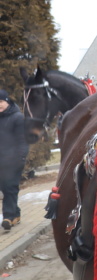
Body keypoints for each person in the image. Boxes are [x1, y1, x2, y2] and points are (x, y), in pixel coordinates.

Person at [0, 89, 28, 231]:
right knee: (5, 188)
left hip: (13, 160)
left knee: (10, 187)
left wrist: (21, 157)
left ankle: (8, 217)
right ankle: (15, 214)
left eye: (1, 101)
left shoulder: (17, 117)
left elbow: (22, 140)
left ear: (7, 101)